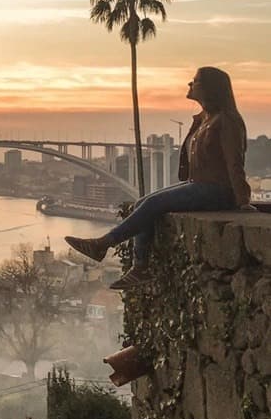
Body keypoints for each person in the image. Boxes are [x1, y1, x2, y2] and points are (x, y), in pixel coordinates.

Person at [65, 66, 255, 290]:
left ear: (211, 88)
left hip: (218, 191)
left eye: (195, 81)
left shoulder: (226, 121)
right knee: (142, 203)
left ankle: (105, 244)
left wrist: (242, 201)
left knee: (154, 203)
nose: (189, 84)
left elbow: (235, 162)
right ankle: (139, 268)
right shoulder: (206, 119)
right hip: (200, 186)